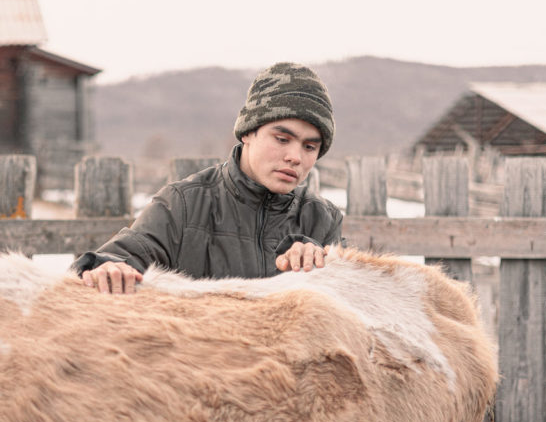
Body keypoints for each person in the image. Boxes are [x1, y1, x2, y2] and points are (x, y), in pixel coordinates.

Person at [72, 61, 343, 293]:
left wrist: (323, 264)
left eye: (310, 147)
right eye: (282, 139)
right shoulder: (184, 204)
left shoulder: (321, 218)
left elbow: (350, 308)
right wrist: (106, 266)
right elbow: (124, 255)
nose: (295, 157)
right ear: (248, 132)